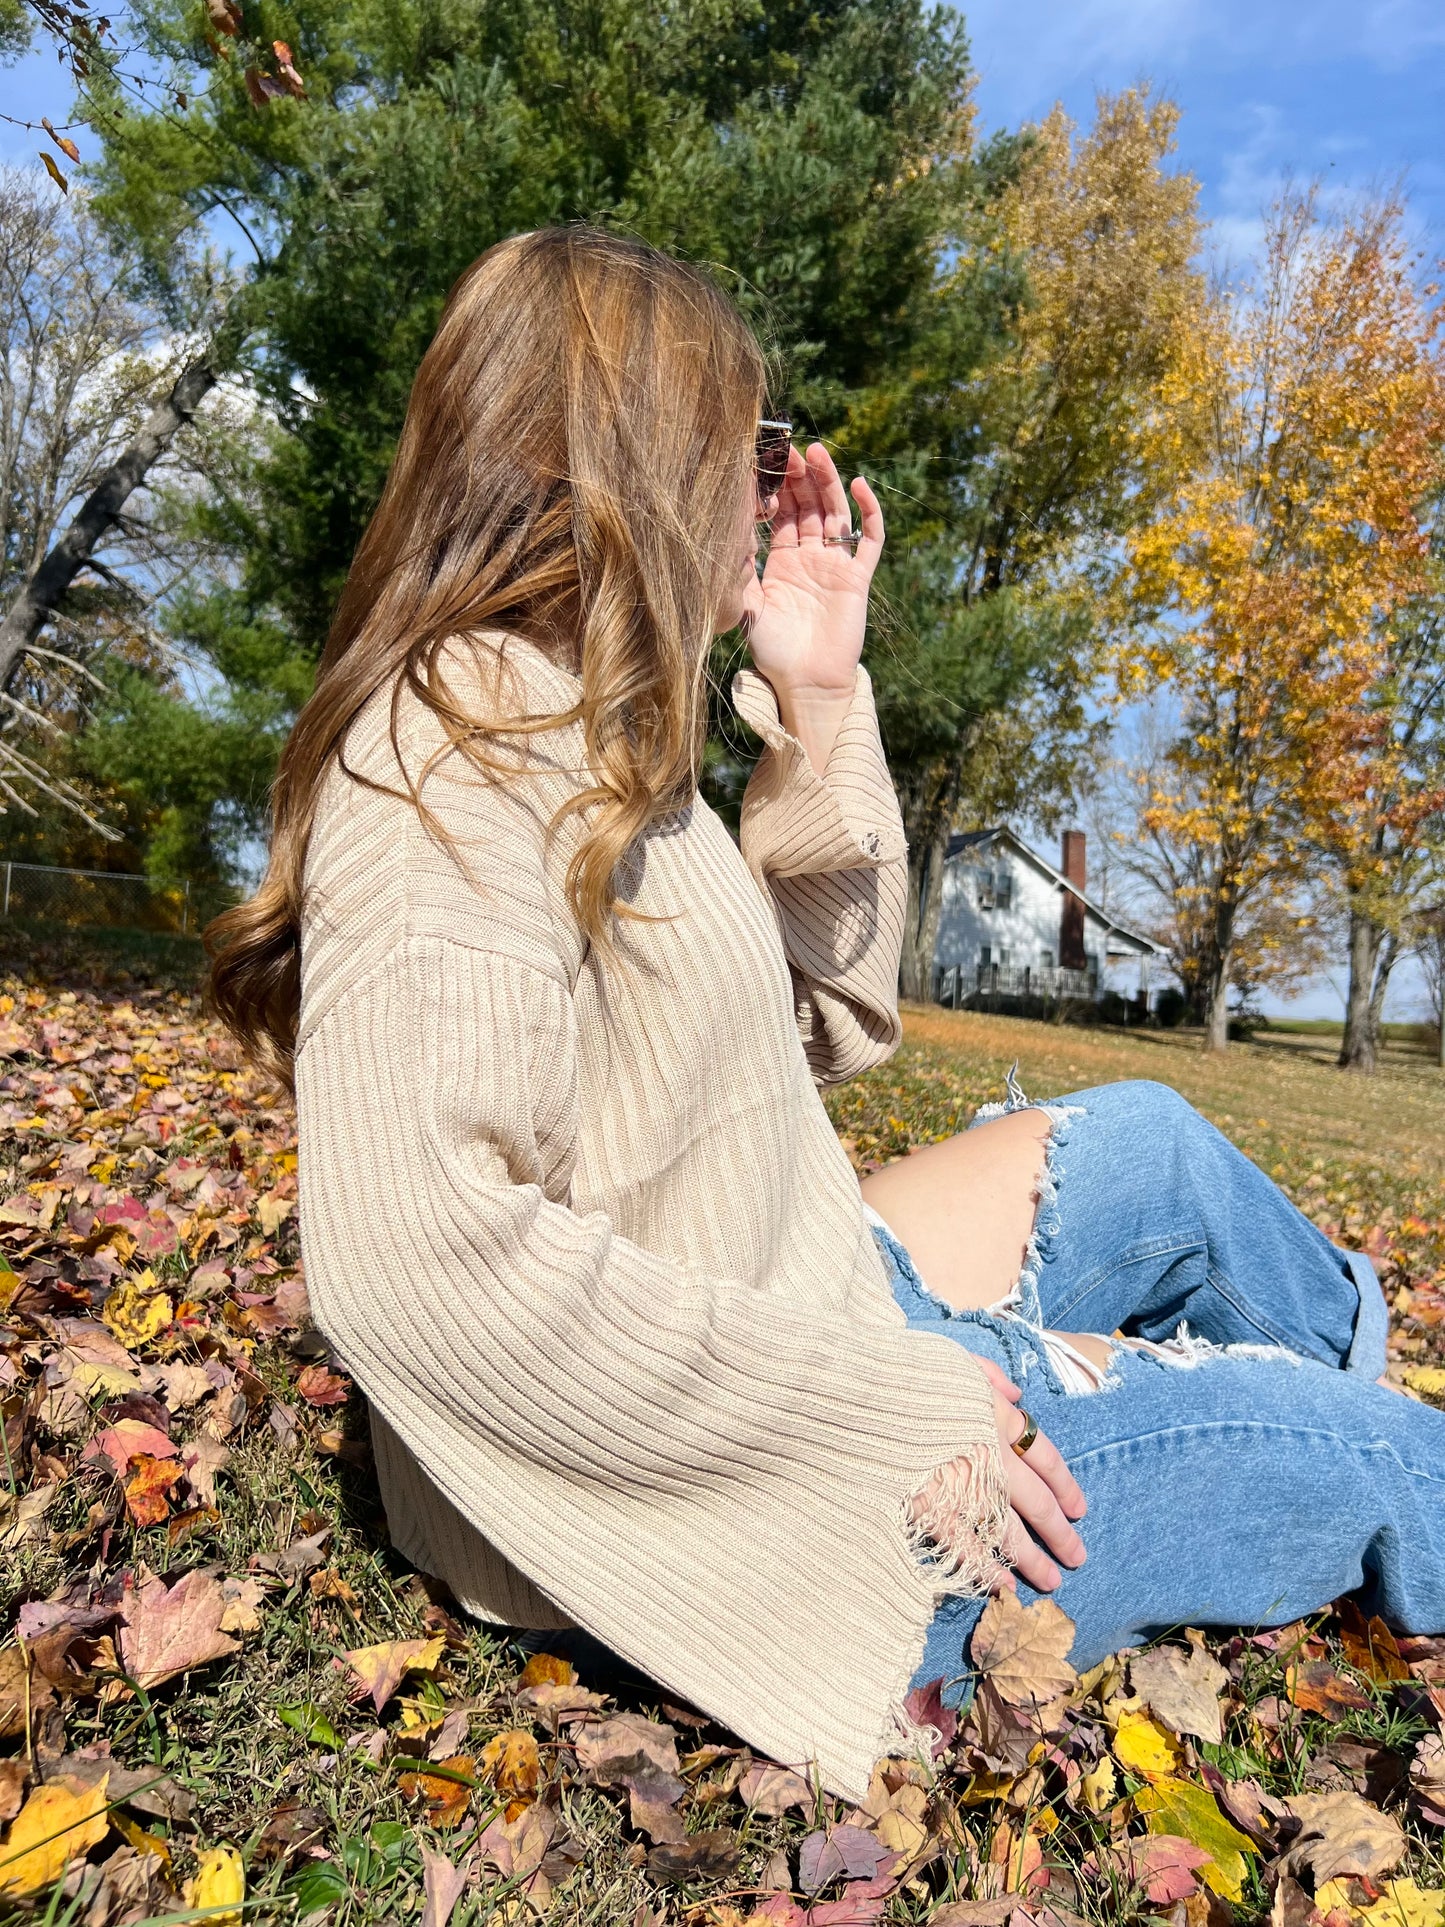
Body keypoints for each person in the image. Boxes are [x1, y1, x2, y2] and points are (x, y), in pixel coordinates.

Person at [206, 224, 1445, 1805]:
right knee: (1350, 1452)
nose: (768, 486)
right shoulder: (451, 752)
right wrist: (898, 1405)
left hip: (783, 1298)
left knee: (1150, 1145)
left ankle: (1312, 1400)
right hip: (730, 1507)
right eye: (748, 444)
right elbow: (417, 1267)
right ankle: (1337, 1438)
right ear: (638, 459)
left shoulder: (578, 727)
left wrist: (817, 694)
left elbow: (815, 1026)